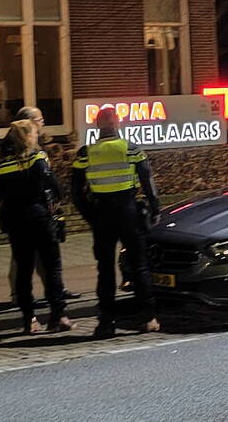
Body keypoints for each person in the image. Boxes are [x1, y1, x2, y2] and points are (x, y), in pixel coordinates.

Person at [72, 108, 161, 339]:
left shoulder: (85, 153)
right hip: (129, 212)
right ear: (117, 124)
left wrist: (90, 215)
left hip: (102, 214)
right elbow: (148, 181)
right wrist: (155, 209)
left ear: (97, 125)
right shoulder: (131, 149)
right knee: (139, 265)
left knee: (105, 269)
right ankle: (148, 317)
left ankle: (106, 321)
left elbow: (76, 192)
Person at [0, 119, 72, 333]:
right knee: (52, 267)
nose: (37, 136)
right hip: (39, 218)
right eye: (35, 133)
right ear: (28, 137)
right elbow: (54, 187)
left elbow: (0, 194)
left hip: (16, 221)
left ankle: (29, 320)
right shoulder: (38, 158)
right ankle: (59, 316)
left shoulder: (2, 166)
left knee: (24, 271)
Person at [2, 107, 80, 304]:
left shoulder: (29, 144)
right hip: (32, 211)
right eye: (39, 119)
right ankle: (22, 296)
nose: (43, 123)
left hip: (25, 211)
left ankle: (53, 290)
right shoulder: (16, 145)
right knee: (26, 257)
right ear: (29, 122)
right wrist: (53, 197)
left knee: (35, 256)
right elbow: (42, 180)